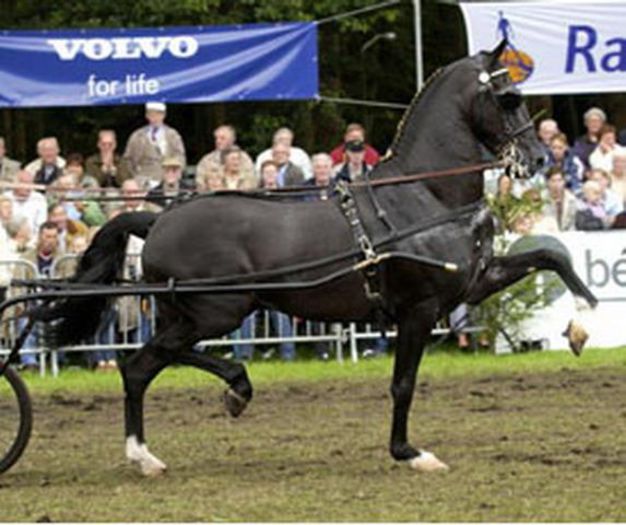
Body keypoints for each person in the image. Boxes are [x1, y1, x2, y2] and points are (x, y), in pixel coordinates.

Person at [123, 102, 186, 188]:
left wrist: (175, 175)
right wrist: (136, 177)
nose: (155, 118)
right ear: (147, 116)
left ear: (164, 115)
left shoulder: (172, 135)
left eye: (158, 114)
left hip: (167, 181)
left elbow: (180, 157)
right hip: (143, 181)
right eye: (152, 114)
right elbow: (128, 160)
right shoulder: (137, 136)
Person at [195, 125, 255, 191]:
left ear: (232, 140)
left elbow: (251, 183)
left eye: (222, 138)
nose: (218, 141)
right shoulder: (207, 161)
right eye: (216, 138)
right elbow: (200, 184)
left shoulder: (244, 159)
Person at [4, 170, 47, 237]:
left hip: (32, 239)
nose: (29, 187)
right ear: (15, 184)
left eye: (31, 183)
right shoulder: (4, 198)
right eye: (25, 183)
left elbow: (41, 225)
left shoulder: (39, 199)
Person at [539, 168, 578, 232]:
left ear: (564, 182)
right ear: (548, 182)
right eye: (553, 181)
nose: (556, 184)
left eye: (559, 180)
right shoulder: (541, 199)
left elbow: (573, 223)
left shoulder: (572, 199)